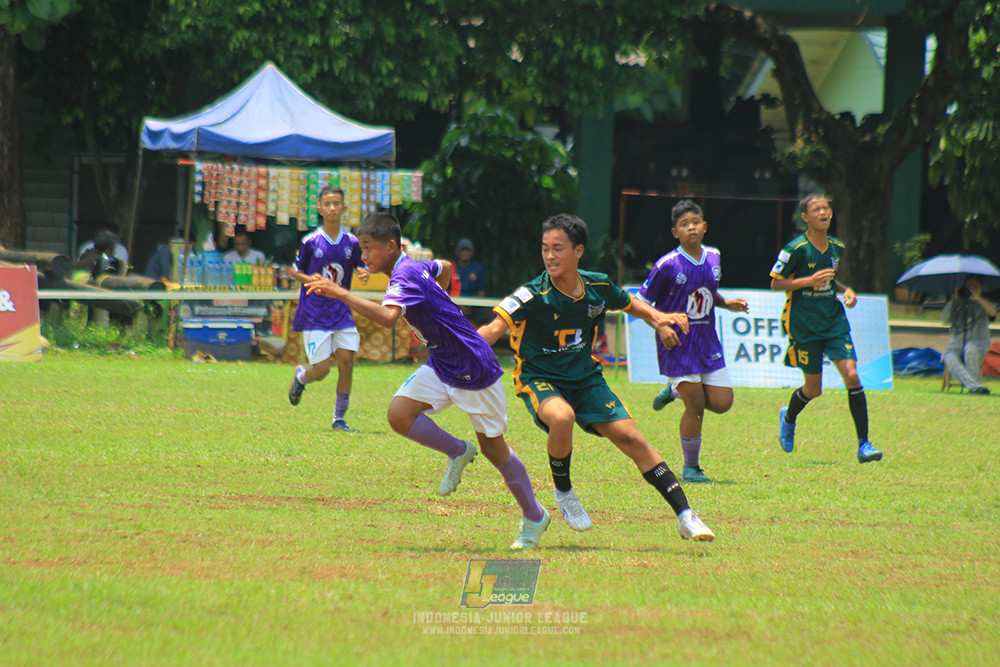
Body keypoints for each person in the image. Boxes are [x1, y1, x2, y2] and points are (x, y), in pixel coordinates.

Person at [304, 212, 550, 550]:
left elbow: (389, 319)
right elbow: (445, 267)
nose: (363, 257)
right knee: (399, 414)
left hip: (471, 365)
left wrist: (341, 293)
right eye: (361, 249)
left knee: (495, 448)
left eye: (368, 249)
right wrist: (438, 304)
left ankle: (535, 515)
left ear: (390, 247)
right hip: (441, 361)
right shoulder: (414, 266)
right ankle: (458, 451)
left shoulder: (404, 275)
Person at [478, 213, 715, 542]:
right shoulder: (531, 294)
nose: (549, 256)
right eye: (545, 248)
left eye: (557, 248)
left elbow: (628, 302)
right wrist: (461, 348)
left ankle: (686, 515)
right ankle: (564, 493)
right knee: (562, 418)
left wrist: (659, 319)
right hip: (539, 376)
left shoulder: (597, 285)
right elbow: (493, 329)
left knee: (632, 439)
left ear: (578, 251)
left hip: (586, 378)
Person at [636, 200, 749, 484]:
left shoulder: (714, 256)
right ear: (675, 232)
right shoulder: (667, 265)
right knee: (696, 403)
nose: (691, 228)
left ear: (705, 226)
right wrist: (661, 325)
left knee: (723, 403)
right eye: (685, 224)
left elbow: (707, 294)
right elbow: (640, 304)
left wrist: (727, 303)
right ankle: (691, 468)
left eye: (695, 222)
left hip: (707, 342)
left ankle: (674, 392)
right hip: (676, 343)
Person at [769, 192, 883, 463]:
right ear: (805, 217)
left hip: (834, 321)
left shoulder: (836, 247)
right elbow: (775, 283)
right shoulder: (795, 249)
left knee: (852, 376)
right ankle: (789, 417)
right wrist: (808, 281)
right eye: (817, 209)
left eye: (827, 208)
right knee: (813, 389)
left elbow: (830, 282)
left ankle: (864, 444)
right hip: (804, 326)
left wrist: (846, 290)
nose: (824, 212)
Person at [287, 186, 367, 432]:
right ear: (320, 208)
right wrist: (308, 278)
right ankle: (302, 376)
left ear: (344, 208)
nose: (333, 207)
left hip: (342, 310)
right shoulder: (310, 241)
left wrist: (363, 271)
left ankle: (339, 419)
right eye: (328, 203)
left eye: (337, 203)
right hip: (315, 313)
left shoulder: (352, 242)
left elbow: (361, 265)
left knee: (347, 361)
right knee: (321, 370)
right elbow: (294, 271)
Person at [941, 276, 997, 395]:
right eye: (968, 287)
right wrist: (954, 299)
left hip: (977, 343)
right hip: (956, 343)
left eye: (975, 287)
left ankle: (974, 386)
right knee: (949, 357)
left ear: (981, 289)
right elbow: (944, 320)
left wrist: (978, 298)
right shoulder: (956, 303)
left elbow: (993, 313)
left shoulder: (983, 303)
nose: (971, 289)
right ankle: (975, 387)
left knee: (970, 349)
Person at [452, 237, 492, 326]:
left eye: (468, 250)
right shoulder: (451, 267)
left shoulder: (478, 268)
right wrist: (458, 306)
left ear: (472, 252)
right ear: (457, 252)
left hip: (474, 305)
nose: (465, 253)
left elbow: (481, 290)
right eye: (463, 250)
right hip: (454, 303)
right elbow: (445, 290)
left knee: (488, 315)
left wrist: (472, 305)